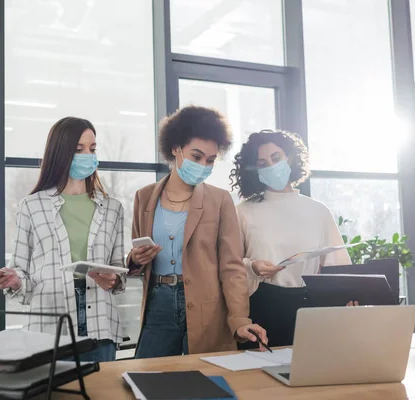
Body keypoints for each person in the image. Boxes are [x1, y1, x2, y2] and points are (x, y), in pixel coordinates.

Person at [128, 105, 267, 358]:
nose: (204, 165)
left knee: (207, 383)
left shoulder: (220, 200)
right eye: (196, 156)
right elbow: (137, 256)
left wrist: (239, 318)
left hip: (208, 308)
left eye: (210, 160)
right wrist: (135, 260)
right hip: (157, 305)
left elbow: (232, 267)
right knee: (149, 380)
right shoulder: (144, 197)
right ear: (175, 149)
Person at [0, 117, 127, 362]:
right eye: (79, 149)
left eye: (92, 149)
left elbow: (119, 272)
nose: (88, 155)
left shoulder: (113, 208)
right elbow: (22, 271)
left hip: (100, 327)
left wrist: (114, 279)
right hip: (47, 330)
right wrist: (14, 279)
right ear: (61, 153)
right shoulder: (31, 206)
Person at [230, 129, 353, 348]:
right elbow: (229, 266)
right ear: (254, 171)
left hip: (311, 308)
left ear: (290, 158)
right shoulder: (243, 212)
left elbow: (339, 268)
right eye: (262, 163)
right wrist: (253, 267)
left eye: (276, 158)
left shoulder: (319, 211)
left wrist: (346, 300)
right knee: (257, 377)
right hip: (262, 306)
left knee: (312, 375)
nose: (271, 166)